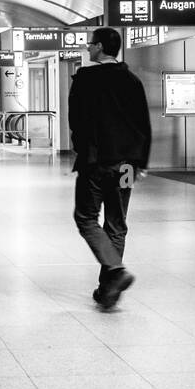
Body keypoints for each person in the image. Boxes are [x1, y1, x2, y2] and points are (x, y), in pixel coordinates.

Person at [68, 27, 152, 308]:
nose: (88, 48)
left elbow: (76, 122)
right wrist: (141, 162)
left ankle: (115, 272)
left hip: (96, 162)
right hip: (127, 165)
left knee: (86, 218)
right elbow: (143, 124)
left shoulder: (85, 79)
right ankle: (107, 290)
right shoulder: (132, 80)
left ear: (100, 47)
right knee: (117, 223)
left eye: (90, 44)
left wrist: (83, 151)